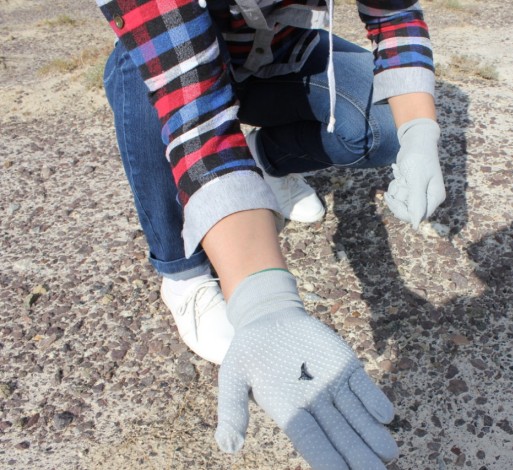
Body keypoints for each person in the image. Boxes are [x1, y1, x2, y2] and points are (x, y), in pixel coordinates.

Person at [97, 0, 444, 467]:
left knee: (386, 125)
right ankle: (182, 270)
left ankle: (263, 162)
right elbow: (195, 114)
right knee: (141, 76)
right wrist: (264, 301)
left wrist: (420, 133)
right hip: (180, 62)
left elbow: (392, 14)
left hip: (279, 50)